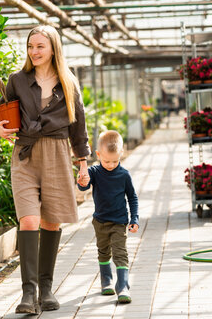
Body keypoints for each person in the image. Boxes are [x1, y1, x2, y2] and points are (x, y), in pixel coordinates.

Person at [0, 25, 90, 313]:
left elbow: (79, 126)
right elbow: (1, 113)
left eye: (39, 46)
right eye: (30, 46)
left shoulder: (68, 82)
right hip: (25, 153)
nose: (34, 52)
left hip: (58, 153)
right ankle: (28, 292)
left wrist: (82, 163)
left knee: (51, 221)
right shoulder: (17, 80)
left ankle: (46, 289)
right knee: (29, 220)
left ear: (53, 49)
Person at [77, 130, 139, 304]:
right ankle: (106, 282)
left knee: (120, 253)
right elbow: (84, 187)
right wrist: (81, 181)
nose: (111, 165)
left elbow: (132, 197)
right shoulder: (95, 171)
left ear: (121, 154)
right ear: (98, 155)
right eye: (106, 161)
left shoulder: (124, 175)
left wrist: (134, 219)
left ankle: (123, 286)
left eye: (115, 160)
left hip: (120, 221)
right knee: (103, 252)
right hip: (100, 221)